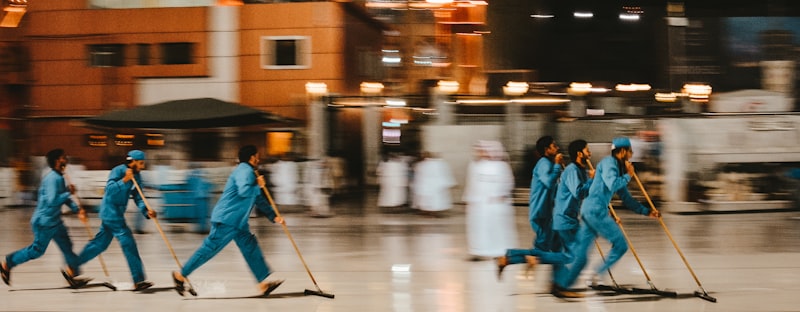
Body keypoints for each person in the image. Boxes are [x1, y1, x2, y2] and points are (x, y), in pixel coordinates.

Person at [171, 145, 285, 297]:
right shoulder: (244, 170)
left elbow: (258, 198)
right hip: (227, 219)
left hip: (238, 222)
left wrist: (273, 216)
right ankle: (180, 275)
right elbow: (244, 191)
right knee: (209, 249)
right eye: (257, 156)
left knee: (250, 247)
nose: (259, 159)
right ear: (252, 157)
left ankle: (262, 284)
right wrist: (258, 185)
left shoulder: (251, 172)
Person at [561, 137, 659, 290]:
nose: (632, 154)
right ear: (622, 151)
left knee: (581, 253)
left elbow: (626, 198)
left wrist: (647, 212)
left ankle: (563, 283)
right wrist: (629, 175)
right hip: (596, 211)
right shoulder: (609, 163)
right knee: (620, 245)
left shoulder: (618, 169)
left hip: (590, 211)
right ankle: (596, 275)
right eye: (630, 151)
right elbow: (612, 184)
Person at [63, 150, 156, 291]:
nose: (142, 166)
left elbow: (139, 197)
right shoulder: (118, 171)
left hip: (115, 213)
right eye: (141, 163)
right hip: (111, 213)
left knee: (98, 245)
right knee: (128, 242)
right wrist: (124, 180)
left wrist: (146, 210)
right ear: (132, 161)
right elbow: (110, 189)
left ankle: (72, 269)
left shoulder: (137, 176)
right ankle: (138, 280)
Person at [1, 149, 87, 287]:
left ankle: (72, 274)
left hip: (55, 221)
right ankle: (7, 263)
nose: (66, 159)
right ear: (57, 160)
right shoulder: (52, 178)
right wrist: (68, 192)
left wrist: (78, 210)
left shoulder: (60, 176)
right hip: (44, 222)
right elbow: (53, 200)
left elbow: (64, 198)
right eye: (63, 157)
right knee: (37, 251)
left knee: (67, 246)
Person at [550, 139, 594, 298]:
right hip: (565, 220)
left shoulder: (580, 170)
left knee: (564, 254)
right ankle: (562, 286)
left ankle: (556, 283)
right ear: (579, 153)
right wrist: (592, 180)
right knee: (578, 257)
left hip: (568, 219)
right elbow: (579, 192)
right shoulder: (572, 170)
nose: (590, 153)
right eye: (587, 150)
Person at [463, 141, 517, 260]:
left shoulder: (501, 166)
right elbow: (471, 184)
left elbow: (508, 183)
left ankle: (499, 252)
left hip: (495, 206)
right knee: (479, 230)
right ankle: (478, 251)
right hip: (478, 206)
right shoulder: (475, 165)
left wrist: (500, 195)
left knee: (496, 230)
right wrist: (469, 199)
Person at [412, 151, 456, 217]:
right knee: (429, 200)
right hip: (429, 185)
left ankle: (432, 213)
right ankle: (429, 212)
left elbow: (443, 173)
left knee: (432, 201)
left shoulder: (436, 164)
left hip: (433, 185)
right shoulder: (422, 164)